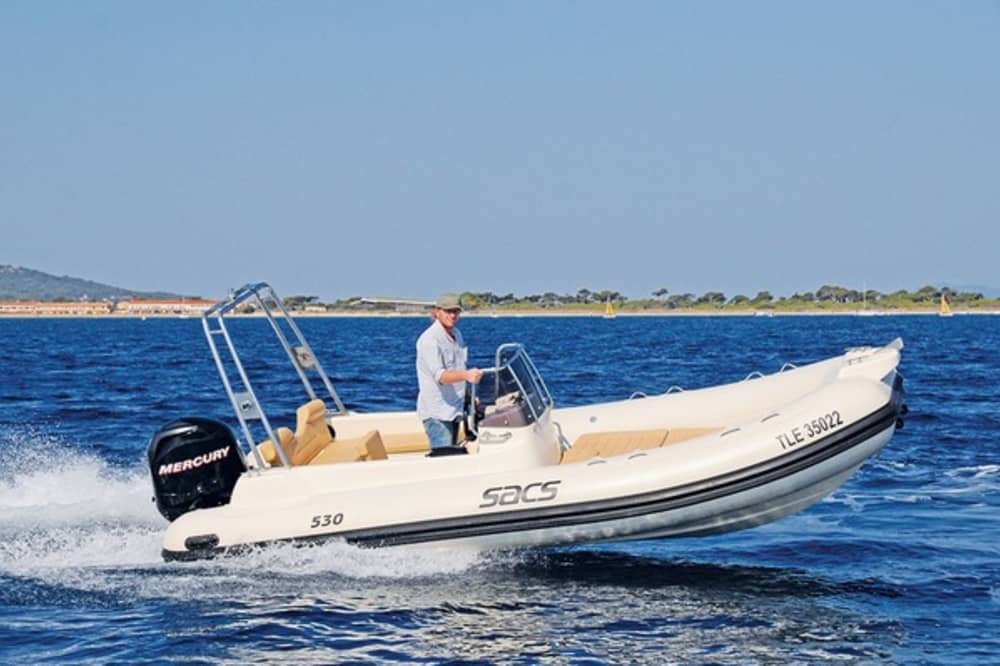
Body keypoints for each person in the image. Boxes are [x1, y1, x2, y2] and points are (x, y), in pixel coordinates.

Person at [416, 293, 484, 449]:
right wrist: (467, 375)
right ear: (437, 312)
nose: (452, 315)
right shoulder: (429, 340)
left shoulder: (457, 334)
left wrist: (468, 396)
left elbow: (458, 367)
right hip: (437, 414)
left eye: (456, 311)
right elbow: (441, 376)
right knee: (443, 459)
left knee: (453, 453)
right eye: (448, 311)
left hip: (455, 408)